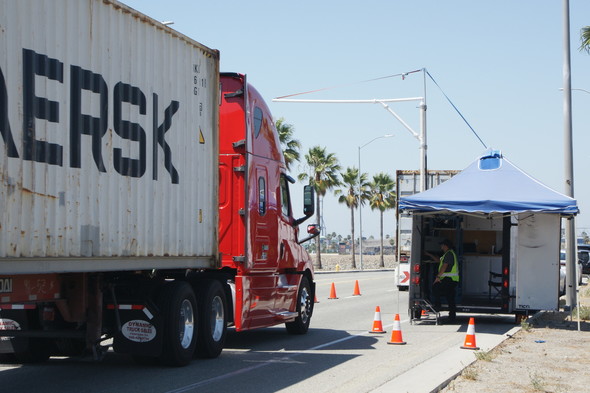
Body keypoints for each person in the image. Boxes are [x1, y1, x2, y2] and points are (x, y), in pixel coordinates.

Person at [425, 239, 459, 322]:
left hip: (449, 279)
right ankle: (452, 316)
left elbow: (444, 266)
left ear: (446, 246)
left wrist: (438, 277)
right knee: (450, 297)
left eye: (442, 245)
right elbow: (439, 261)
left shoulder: (449, 254)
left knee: (436, 287)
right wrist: (429, 254)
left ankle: (438, 306)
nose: (441, 247)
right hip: (451, 280)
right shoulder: (448, 254)